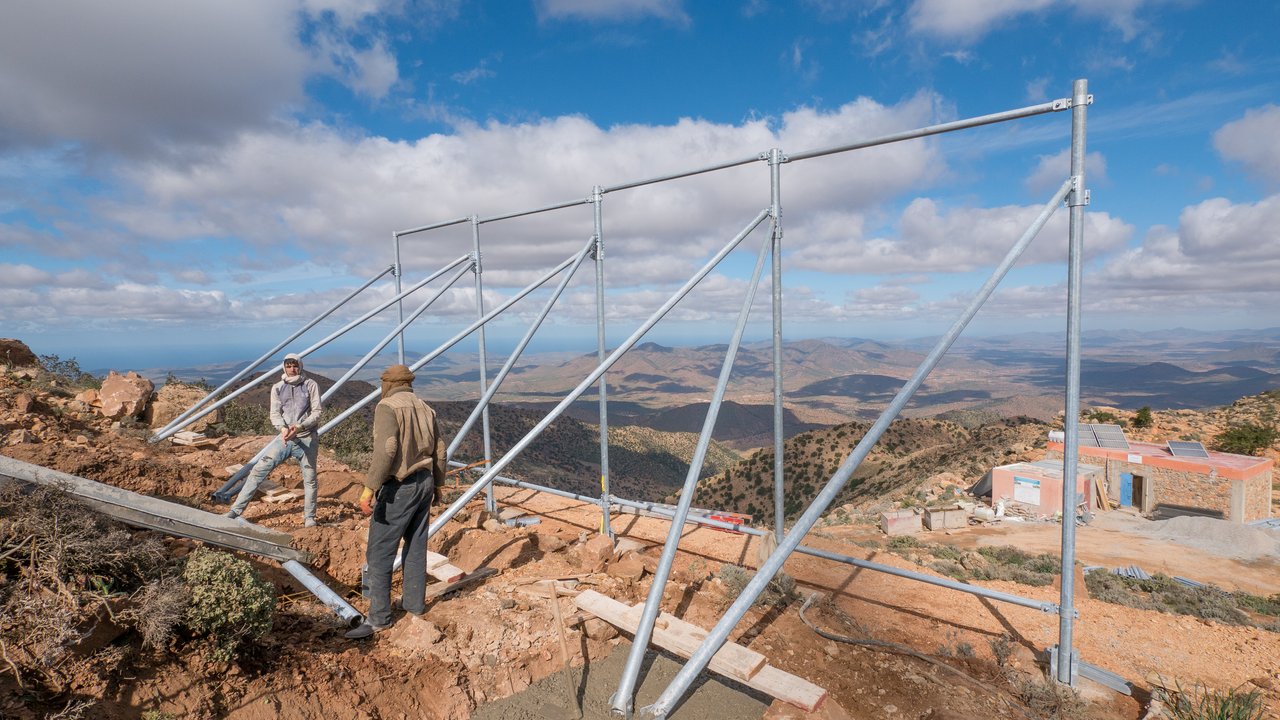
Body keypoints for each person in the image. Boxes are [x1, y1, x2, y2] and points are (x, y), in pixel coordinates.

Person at [345, 364, 446, 639]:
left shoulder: (387, 407)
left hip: (399, 487)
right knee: (416, 547)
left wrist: (369, 488)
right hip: (424, 482)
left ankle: (379, 618)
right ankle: (414, 605)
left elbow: (387, 449)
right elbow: (440, 449)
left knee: (379, 553)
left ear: (388, 383)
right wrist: (438, 485)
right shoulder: (426, 407)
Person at [225, 353, 323, 526]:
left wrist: (300, 426)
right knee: (258, 471)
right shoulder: (277, 387)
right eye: (289, 365)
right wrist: (283, 428)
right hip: (284, 439)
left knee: (310, 479)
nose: (292, 369)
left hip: (306, 438)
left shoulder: (310, 385)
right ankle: (235, 511)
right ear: (283, 367)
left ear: (300, 366)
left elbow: (317, 412)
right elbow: (274, 414)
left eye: (295, 365)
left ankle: (309, 517)